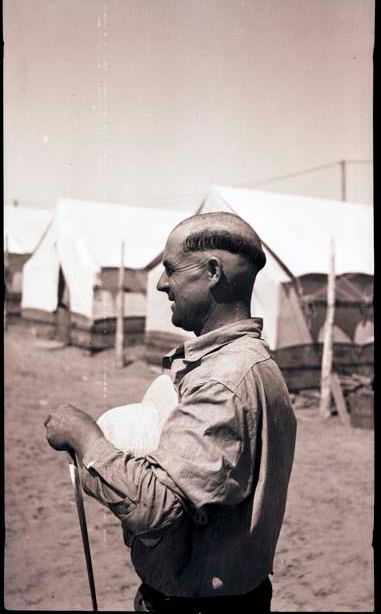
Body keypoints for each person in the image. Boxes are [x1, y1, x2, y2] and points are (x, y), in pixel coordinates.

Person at [44, 211, 297, 613]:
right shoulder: (256, 364)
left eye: (171, 270)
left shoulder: (223, 379)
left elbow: (155, 507)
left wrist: (85, 436)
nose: (161, 284)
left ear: (213, 271)